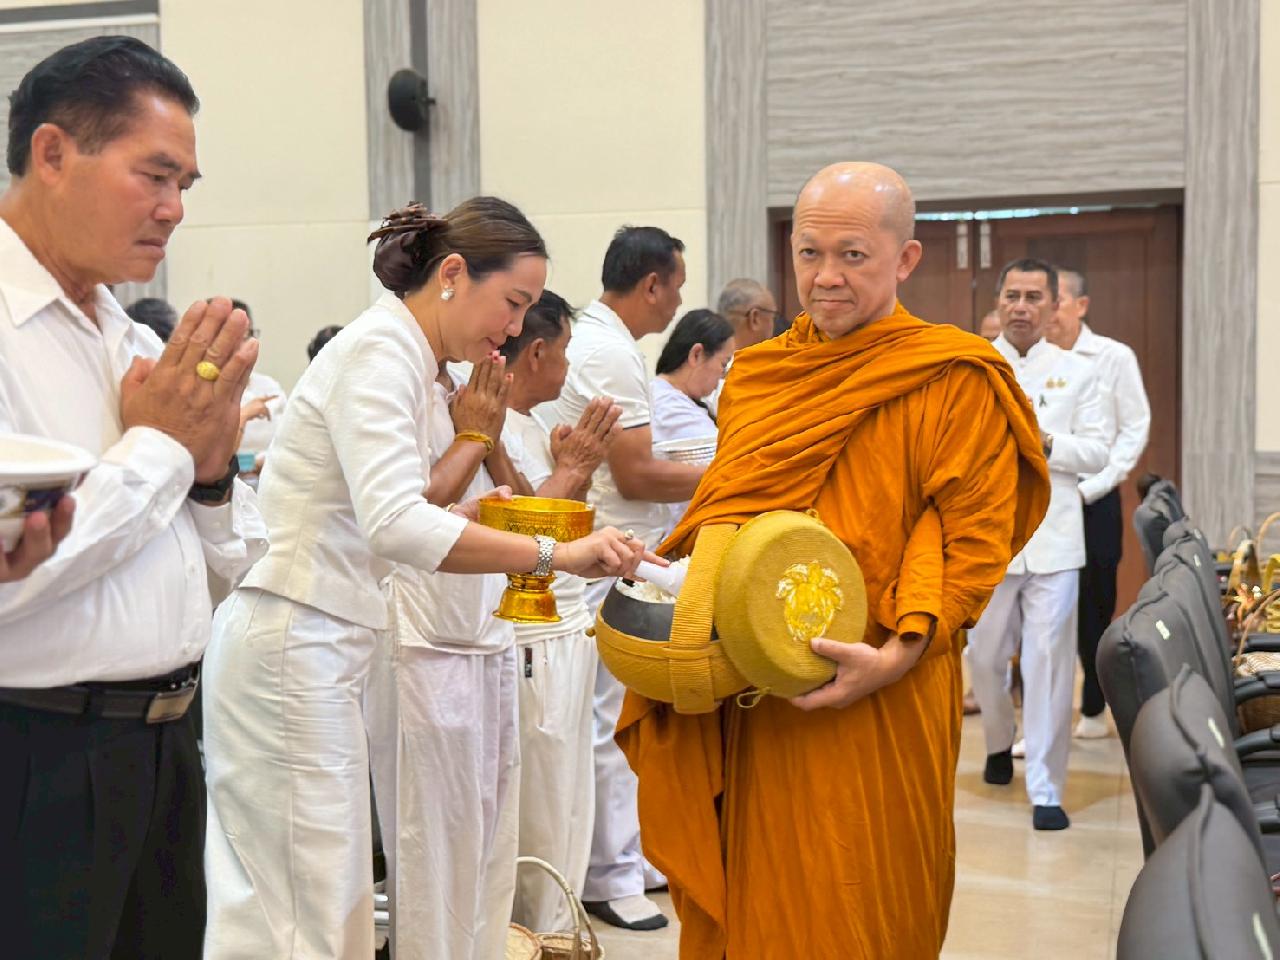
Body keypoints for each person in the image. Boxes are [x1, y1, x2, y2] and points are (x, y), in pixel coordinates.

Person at [616, 161, 1051, 959]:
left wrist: (897, 654)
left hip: (888, 684)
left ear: (905, 259)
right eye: (810, 254)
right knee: (767, 892)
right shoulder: (762, 375)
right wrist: (678, 575)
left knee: (869, 892)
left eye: (853, 255)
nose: (826, 277)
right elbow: (728, 509)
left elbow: (970, 541)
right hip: (764, 688)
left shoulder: (954, 377)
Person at [202, 198, 653, 960]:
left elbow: (415, 507)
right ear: (452, 274)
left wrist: (499, 517)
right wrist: (552, 555)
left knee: (333, 909)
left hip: (332, 640)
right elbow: (396, 525)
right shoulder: (380, 352)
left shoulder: (417, 364)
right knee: (300, 917)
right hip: (291, 633)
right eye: (512, 303)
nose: (515, 328)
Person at [0, 36, 266, 959]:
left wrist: (210, 475)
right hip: (36, 755)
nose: (174, 209)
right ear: (52, 153)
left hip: (163, 747)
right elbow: (12, 571)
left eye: (185, 184)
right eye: (154, 175)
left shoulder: (131, 337)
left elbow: (228, 570)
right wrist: (159, 449)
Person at [548, 225, 706, 930]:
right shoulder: (608, 351)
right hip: (597, 557)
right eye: (676, 287)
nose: (677, 303)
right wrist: (730, 471)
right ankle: (608, 876)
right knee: (608, 722)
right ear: (651, 285)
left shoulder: (602, 340)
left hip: (605, 550)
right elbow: (637, 476)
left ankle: (625, 858)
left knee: (612, 715)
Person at [485, 289, 623, 932]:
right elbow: (524, 542)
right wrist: (570, 473)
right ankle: (535, 933)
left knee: (568, 795)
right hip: (528, 632)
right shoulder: (487, 425)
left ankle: (561, 930)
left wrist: (576, 474)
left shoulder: (532, 425)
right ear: (536, 352)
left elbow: (563, 525)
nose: (568, 367)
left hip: (565, 628)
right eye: (564, 351)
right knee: (539, 802)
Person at [967, 257, 1110, 831]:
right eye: (1012, 296)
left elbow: (1097, 452)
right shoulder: (973, 367)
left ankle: (1047, 790)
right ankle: (999, 740)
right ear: (998, 302)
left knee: (1049, 664)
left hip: (1055, 541)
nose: (1021, 307)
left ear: (1053, 306)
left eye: (1033, 297)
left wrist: (1045, 442)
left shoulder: (1079, 372)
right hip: (988, 539)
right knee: (983, 658)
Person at [1048, 267, 1151, 739]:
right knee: (1045, 611)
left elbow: (1133, 428)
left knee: (1094, 608)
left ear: (1081, 305)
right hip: (1046, 503)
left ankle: (1092, 705)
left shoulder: (1113, 357)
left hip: (1094, 500)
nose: (1048, 310)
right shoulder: (1036, 358)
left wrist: (1099, 483)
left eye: (1057, 300)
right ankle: (1044, 717)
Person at [650, 308, 735, 528]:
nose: (722, 377)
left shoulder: (685, 399)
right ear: (696, 354)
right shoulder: (668, 405)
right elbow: (726, 463)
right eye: (723, 364)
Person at [229, 297, 287, 476]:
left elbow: (288, 441)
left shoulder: (269, 387)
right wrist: (244, 415)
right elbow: (213, 463)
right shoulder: (204, 392)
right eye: (238, 336)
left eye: (249, 334)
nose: (246, 344)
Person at [707, 279, 778, 416]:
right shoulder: (751, 379)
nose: (774, 325)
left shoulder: (700, 371)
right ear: (755, 318)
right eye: (773, 317)